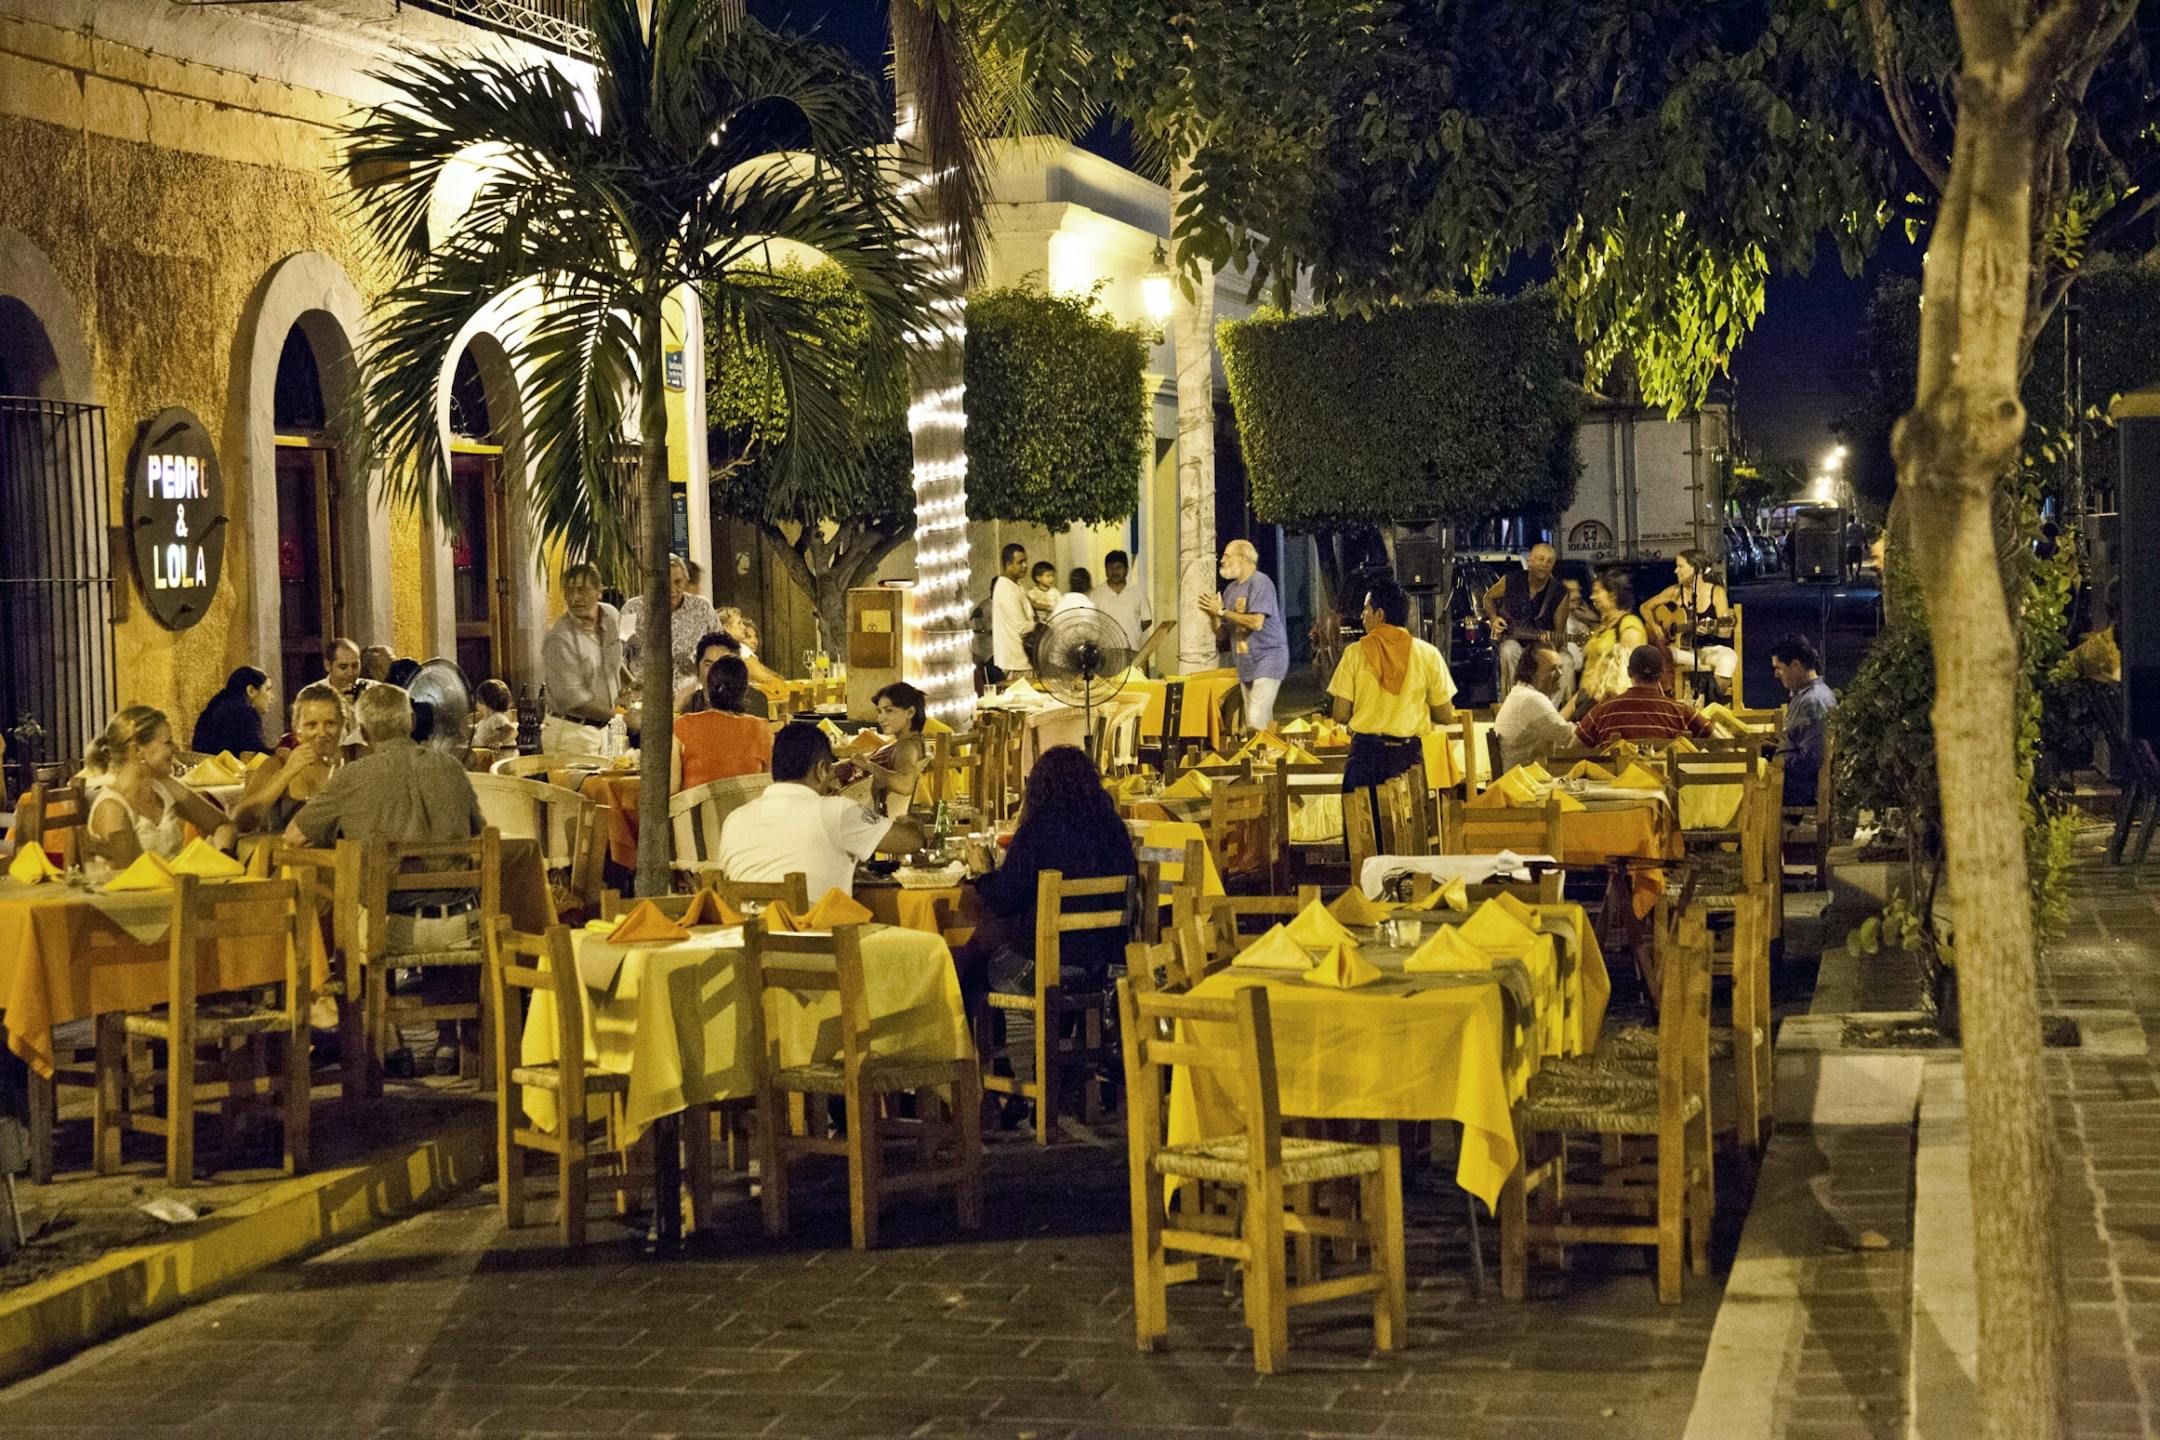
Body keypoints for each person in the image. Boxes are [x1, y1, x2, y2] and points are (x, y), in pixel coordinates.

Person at [951, 745, 1136, 1021]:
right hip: (1107, 965)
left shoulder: (1038, 832)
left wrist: (983, 874)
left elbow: (1004, 898)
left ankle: (993, 1061)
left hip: (1047, 970)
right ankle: (1061, 1054)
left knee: (972, 966)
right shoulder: (1113, 828)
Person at [716, 722, 926, 899]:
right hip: (821, 941)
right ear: (821, 769)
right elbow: (911, 841)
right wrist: (910, 821)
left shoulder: (734, 820)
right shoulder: (836, 812)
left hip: (749, 941)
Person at [1328, 576, 1456, 831]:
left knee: (1361, 840)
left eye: (1366, 609)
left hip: (1364, 757)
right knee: (1409, 835)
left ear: (1380, 614)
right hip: (1407, 760)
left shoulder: (1354, 654)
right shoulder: (1427, 654)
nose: (1362, 616)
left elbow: (1340, 713)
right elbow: (1445, 714)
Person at [82, 706, 236, 878]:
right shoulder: (113, 808)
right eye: (168, 742)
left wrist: (223, 858)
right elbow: (133, 878)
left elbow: (223, 825)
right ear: (137, 750)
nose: (176, 748)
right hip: (137, 901)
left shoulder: (165, 786)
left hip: (178, 893)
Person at [1199, 538, 1291, 730]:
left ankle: (1259, 756)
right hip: (1246, 663)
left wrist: (1222, 612)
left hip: (1269, 658)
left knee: (1255, 719)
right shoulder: (1230, 591)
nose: (1222, 561)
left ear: (1242, 558)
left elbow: (1256, 623)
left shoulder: (1261, 583)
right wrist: (1213, 617)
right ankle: (1269, 756)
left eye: (1226, 556)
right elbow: (1222, 634)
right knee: (1261, 720)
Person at [235, 681, 345, 835]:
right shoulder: (278, 764)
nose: (322, 733)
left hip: (342, 856)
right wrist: (287, 772)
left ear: (342, 725)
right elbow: (240, 822)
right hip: (285, 856)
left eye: (330, 723)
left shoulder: (351, 765)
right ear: (298, 731)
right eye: (312, 725)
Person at [540, 561, 622, 755]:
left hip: (605, 730)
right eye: (569, 591)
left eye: (582, 590)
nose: (575, 598)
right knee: (581, 786)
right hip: (569, 734)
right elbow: (575, 700)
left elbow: (613, 657)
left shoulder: (610, 615)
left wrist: (632, 682)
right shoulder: (559, 638)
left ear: (599, 591)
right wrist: (622, 717)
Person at [1575, 645, 1714, 748]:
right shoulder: (1681, 711)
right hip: (1664, 783)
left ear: (1629, 672)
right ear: (1661, 674)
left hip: (1616, 784)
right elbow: (1721, 744)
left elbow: (1572, 752)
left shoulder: (1602, 711)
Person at [620, 553, 719, 695]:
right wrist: (631, 686)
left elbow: (720, 648)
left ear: (686, 581)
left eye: (678, 582)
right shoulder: (631, 610)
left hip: (692, 699)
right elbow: (619, 655)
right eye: (664, 584)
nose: (672, 590)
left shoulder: (702, 608)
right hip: (647, 700)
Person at [670, 657, 773, 792]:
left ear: (708, 688)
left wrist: (676, 706)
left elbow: (671, 791)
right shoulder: (762, 730)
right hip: (748, 811)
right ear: (744, 690)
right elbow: (768, 788)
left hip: (698, 812)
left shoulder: (682, 726)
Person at [1644, 548, 1737, 697]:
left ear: (1696, 569)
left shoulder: (1716, 592)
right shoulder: (1675, 591)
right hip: (1683, 651)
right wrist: (1655, 626)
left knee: (1729, 657)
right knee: (1657, 654)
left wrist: (1711, 630)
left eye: (1680, 566)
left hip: (1708, 651)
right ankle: (1664, 696)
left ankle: (1709, 698)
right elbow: (1645, 607)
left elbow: (1726, 630)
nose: (1675, 571)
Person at [1484, 543, 1571, 695]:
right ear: (1529, 561)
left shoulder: (1559, 592)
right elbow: (1488, 597)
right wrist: (1494, 618)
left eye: (1549, 561)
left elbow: (1559, 633)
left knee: (1567, 661)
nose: (1544, 564)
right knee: (1508, 650)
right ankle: (1516, 698)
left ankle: (1550, 709)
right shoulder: (1511, 580)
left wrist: (1551, 647)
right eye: (1540, 559)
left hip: (1542, 645)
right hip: (1514, 639)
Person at [1567, 569, 1651, 718]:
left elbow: (1630, 681)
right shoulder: (1603, 628)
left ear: (1613, 595)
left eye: (1598, 592)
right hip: (1587, 705)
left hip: (1609, 710)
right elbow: (1588, 683)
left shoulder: (1629, 627)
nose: (1593, 596)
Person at [1772, 634, 1837, 806]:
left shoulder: (1813, 701)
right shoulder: (1808, 695)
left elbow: (1811, 759)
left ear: (1795, 665)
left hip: (1800, 789)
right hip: (1798, 781)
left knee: (1736, 783)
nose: (1776, 675)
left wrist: (1773, 761)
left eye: (1779, 668)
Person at [849, 681, 930, 817]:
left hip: (869, 819)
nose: (881, 718)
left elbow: (905, 784)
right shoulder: (917, 741)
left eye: (889, 710)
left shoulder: (906, 747)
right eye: (880, 711)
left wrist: (868, 765)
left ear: (910, 712)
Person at [1494, 644, 1579, 771]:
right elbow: (1570, 738)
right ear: (1532, 672)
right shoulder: (1531, 699)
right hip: (1524, 785)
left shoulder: (1521, 693)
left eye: (1560, 667)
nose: (1560, 674)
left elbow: (1557, 727)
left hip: (1522, 778)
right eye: (1552, 669)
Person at [191, 666, 274, 757]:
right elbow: (259, 757)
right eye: (268, 690)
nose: (272, 696)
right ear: (251, 690)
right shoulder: (246, 714)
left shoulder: (214, 706)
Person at [989, 542, 1035, 684]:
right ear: (1008, 565)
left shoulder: (1016, 585)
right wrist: (1042, 625)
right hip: (1017, 663)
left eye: (1025, 561)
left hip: (1024, 660)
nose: (1025, 566)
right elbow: (1021, 627)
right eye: (1020, 562)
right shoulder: (1005, 588)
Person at [1089, 549, 1152, 651]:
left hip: (1133, 651)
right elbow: (1090, 623)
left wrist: (1132, 631)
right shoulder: (1095, 594)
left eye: (1119, 567)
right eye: (1110, 568)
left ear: (1126, 569)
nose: (1115, 571)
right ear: (1106, 570)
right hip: (1106, 653)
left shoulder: (1138, 593)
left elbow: (1147, 620)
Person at [714, 607, 785, 690]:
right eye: (739, 623)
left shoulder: (716, 648)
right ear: (727, 628)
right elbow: (763, 678)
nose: (744, 627)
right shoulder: (740, 650)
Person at [470, 679, 517, 751]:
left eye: (478, 699)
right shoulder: (483, 722)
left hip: (500, 758)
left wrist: (500, 742)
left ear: (484, 702)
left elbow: (512, 731)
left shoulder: (496, 718)